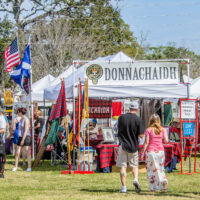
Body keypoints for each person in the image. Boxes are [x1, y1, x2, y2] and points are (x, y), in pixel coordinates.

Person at [116, 102, 144, 193]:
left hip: (123, 145)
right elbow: (141, 135)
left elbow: (118, 130)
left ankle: (124, 187)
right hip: (133, 145)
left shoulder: (121, 118)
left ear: (129, 108)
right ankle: (135, 179)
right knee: (134, 166)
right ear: (137, 109)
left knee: (123, 167)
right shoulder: (138, 119)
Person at [142, 114, 168, 192]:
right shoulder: (162, 129)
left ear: (150, 121)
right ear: (159, 121)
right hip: (160, 151)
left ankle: (153, 187)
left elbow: (146, 142)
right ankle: (163, 182)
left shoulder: (148, 130)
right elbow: (166, 140)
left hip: (151, 152)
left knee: (151, 170)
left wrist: (143, 152)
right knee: (160, 168)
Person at [12, 107, 32, 172]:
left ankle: (29, 167)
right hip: (20, 137)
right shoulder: (20, 119)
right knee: (17, 152)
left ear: (21, 112)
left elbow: (26, 130)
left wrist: (23, 140)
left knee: (27, 151)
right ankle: (15, 167)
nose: (17, 113)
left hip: (26, 137)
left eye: (18, 112)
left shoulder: (26, 119)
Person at [0, 108, 7, 178]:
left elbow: (3, 130)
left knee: (1, 157)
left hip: (1, 141)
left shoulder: (1, 119)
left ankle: (1, 173)